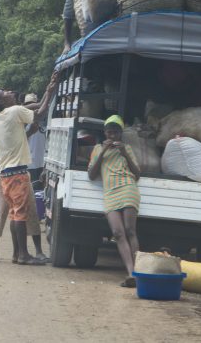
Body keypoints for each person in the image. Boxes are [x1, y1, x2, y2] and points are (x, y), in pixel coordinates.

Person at [0, 88, 46, 265]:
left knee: (14, 214)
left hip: (5, 173)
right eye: (4, 93)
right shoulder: (15, 111)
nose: (9, 92)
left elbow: (17, 138)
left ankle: (16, 254)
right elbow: (40, 113)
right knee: (20, 215)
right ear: (3, 102)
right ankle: (23, 255)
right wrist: (50, 91)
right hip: (18, 173)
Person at [88, 115, 142, 287]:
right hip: (110, 193)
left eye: (115, 132)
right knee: (118, 233)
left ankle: (137, 272)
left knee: (130, 230)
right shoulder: (97, 149)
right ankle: (131, 272)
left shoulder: (127, 148)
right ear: (104, 133)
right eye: (109, 132)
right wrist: (103, 151)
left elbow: (137, 174)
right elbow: (92, 174)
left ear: (121, 134)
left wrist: (124, 153)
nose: (112, 136)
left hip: (127, 188)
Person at [0, 160, 48, 264]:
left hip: (17, 171)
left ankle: (23, 253)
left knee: (27, 211)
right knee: (1, 211)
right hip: (5, 171)